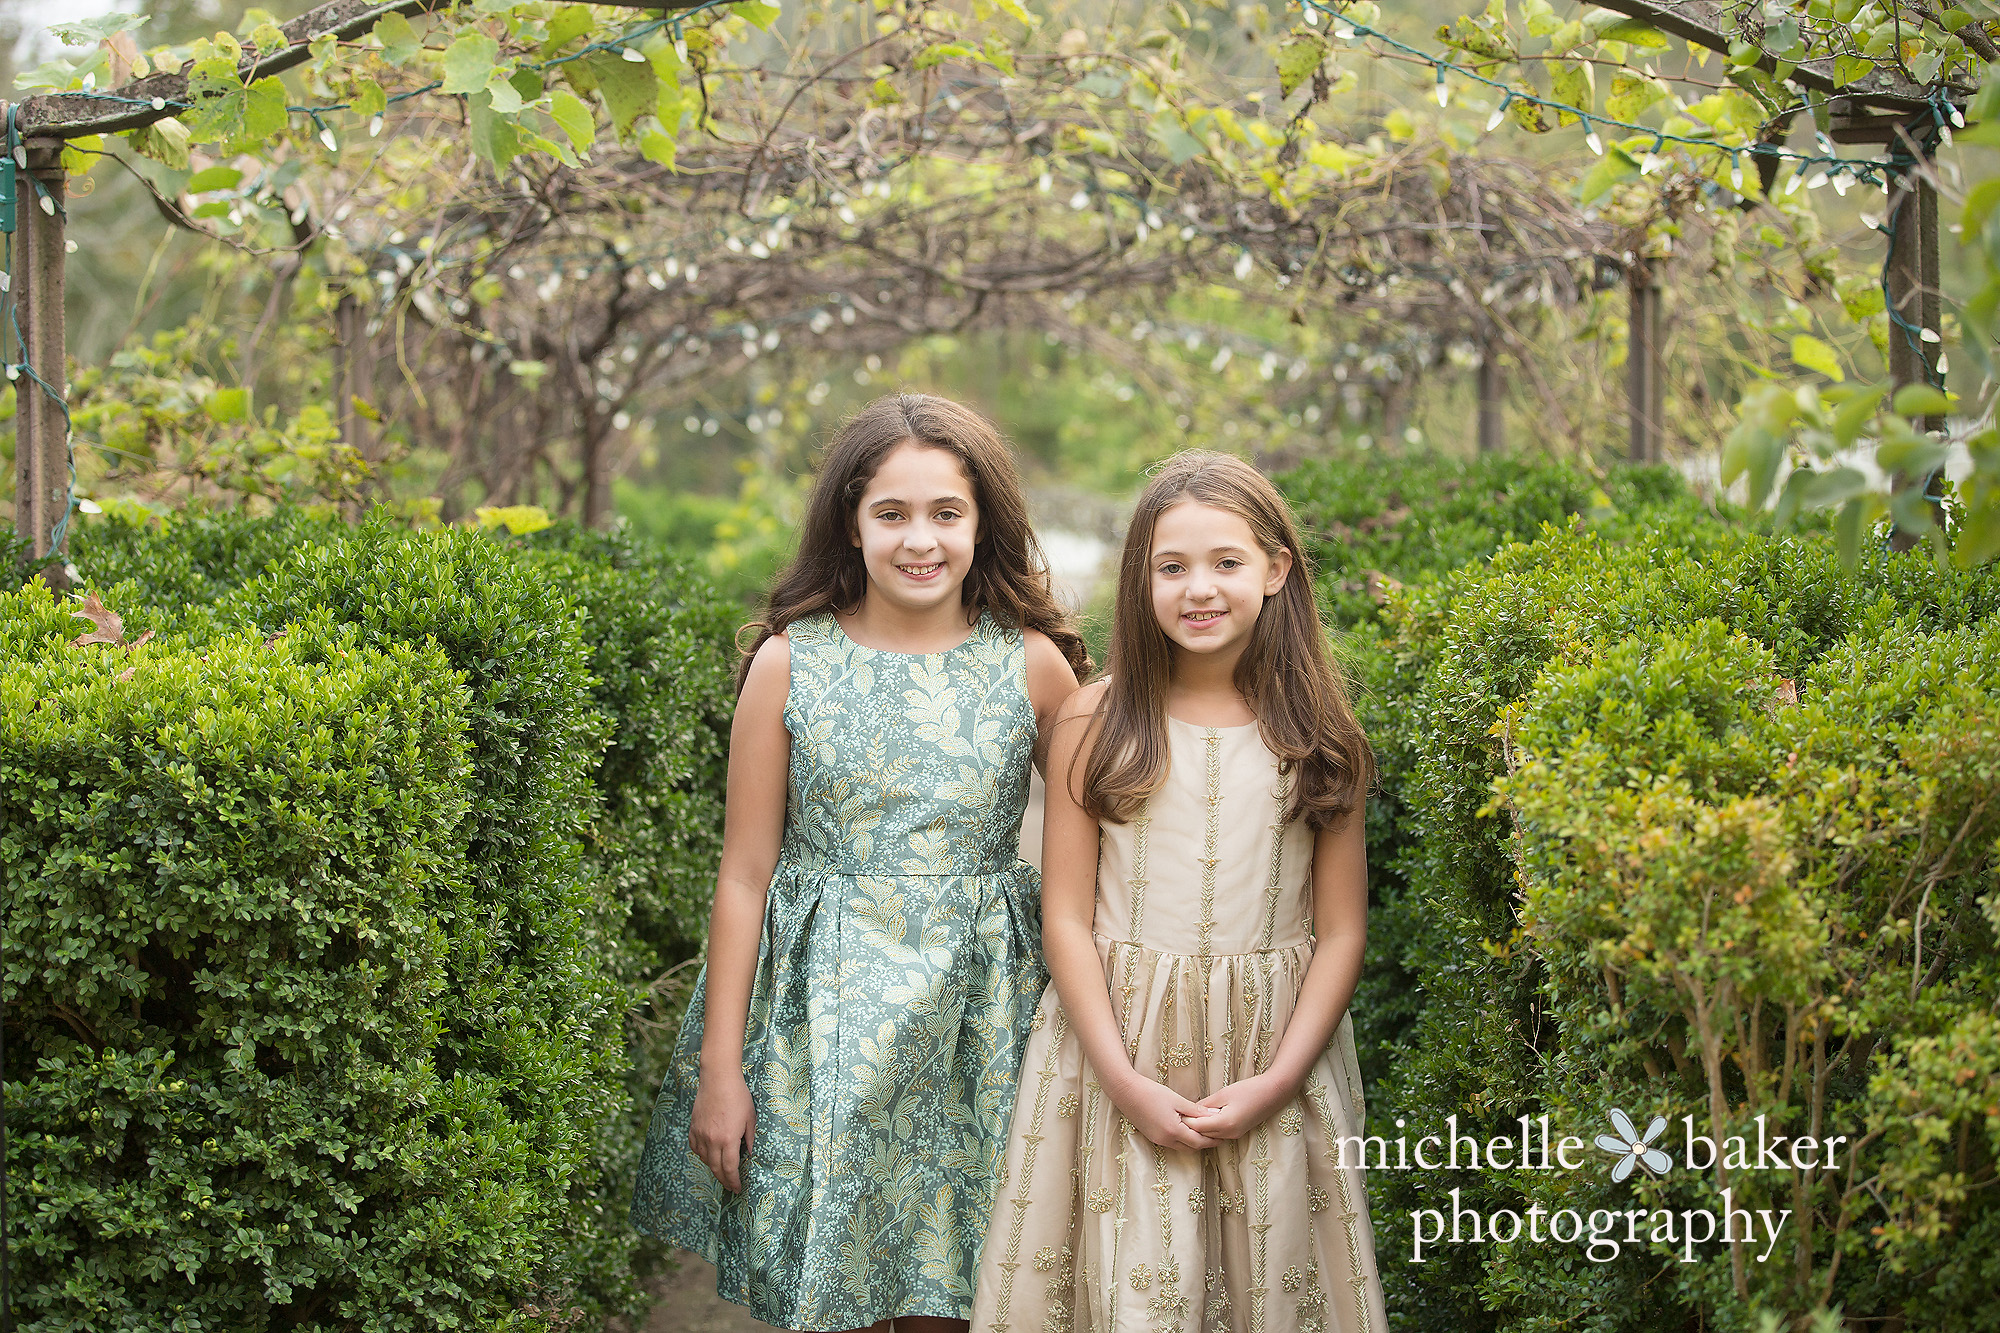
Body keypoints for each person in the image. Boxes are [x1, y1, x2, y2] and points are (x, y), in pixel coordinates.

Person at [632, 394, 1087, 1332]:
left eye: (946, 513)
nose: (920, 539)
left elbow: (1110, 841)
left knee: (964, 1287)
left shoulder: (1034, 665)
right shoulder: (791, 664)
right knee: (838, 1294)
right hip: (819, 1027)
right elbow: (743, 874)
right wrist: (724, 1068)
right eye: (892, 512)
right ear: (851, 519)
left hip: (983, 1019)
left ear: (983, 522)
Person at [970, 451, 1387, 1333]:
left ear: (1277, 571)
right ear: (1140, 580)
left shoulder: (1320, 735)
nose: (1200, 588)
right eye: (1172, 566)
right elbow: (1067, 923)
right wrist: (1125, 1082)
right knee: (1131, 1285)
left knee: (1267, 1286)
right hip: (1117, 1053)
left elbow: (1342, 931)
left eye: (1227, 563)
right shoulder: (1095, 719)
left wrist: (1277, 1081)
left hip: (1271, 1054)